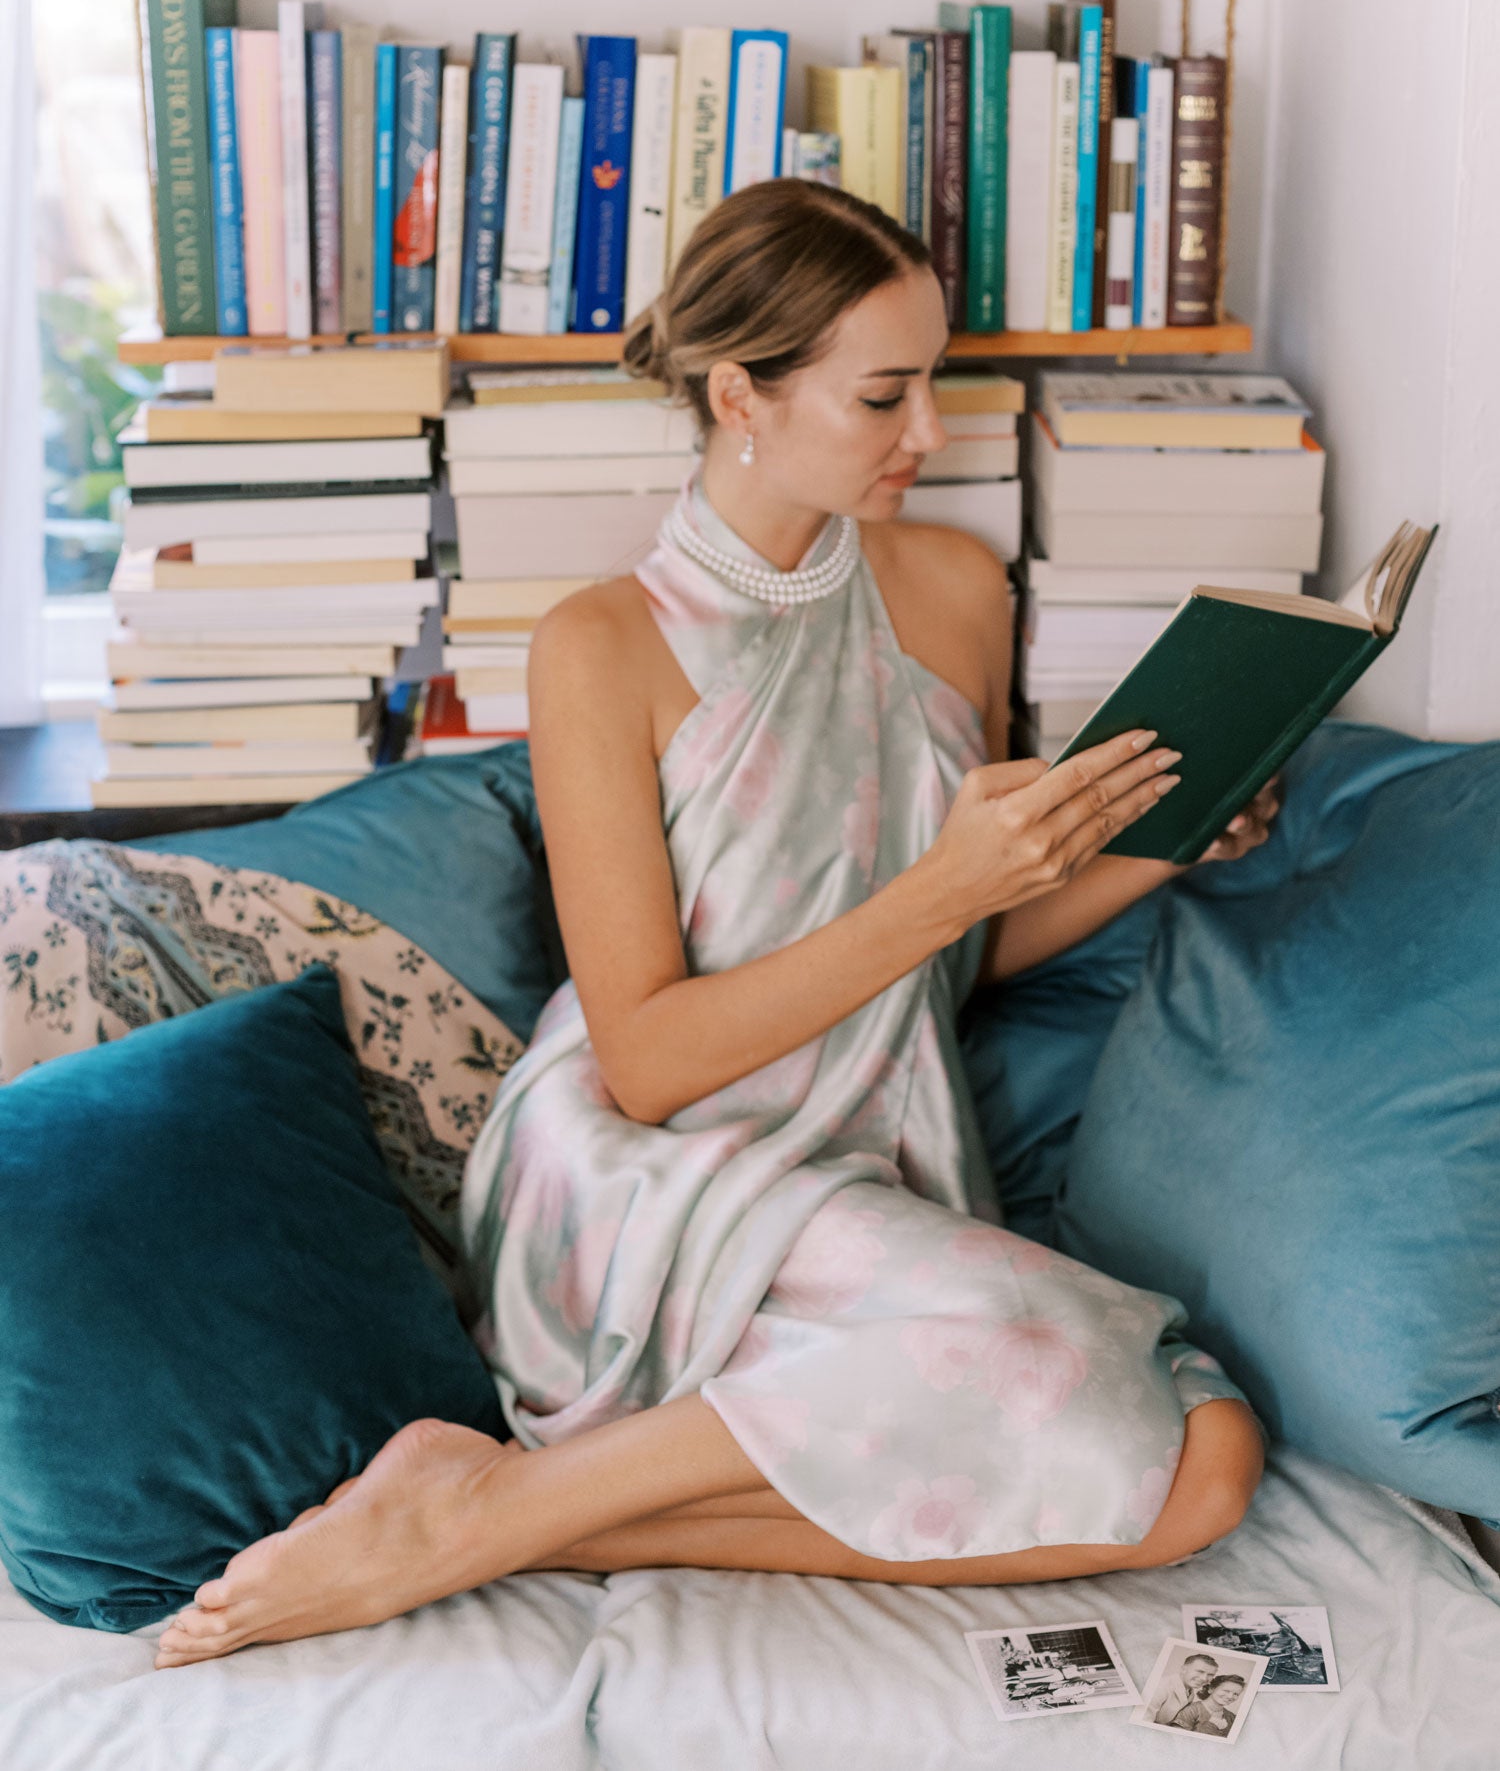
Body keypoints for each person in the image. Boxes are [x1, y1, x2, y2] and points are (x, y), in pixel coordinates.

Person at [155, 178, 1273, 1669]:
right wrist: (947, 878)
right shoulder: (601, 645)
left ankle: (499, 1508)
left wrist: (1159, 852)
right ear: (741, 392)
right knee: (1132, 1402)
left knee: (1203, 1470)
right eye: (884, 394)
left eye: (932, 381)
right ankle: (470, 1516)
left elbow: (953, 958)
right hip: (655, 1180)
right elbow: (651, 1061)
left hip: (870, 1145)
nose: (927, 433)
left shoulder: (951, 589)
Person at [1146, 1651, 1220, 1726]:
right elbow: (1144, 1720)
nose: (1204, 1678)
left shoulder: (1190, 1692)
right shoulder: (1160, 1686)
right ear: (1183, 1669)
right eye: (1200, 1671)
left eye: (1210, 1675)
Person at [1172, 1674, 1247, 1736]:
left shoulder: (1232, 1717)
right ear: (1211, 1689)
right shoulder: (1191, 1711)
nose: (1230, 1696)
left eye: (1236, 1694)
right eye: (1226, 1691)